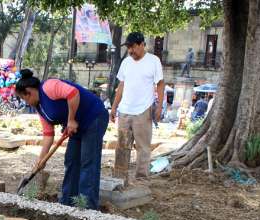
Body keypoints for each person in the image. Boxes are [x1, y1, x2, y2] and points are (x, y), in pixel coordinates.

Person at [15, 69, 109, 210]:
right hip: (75, 126)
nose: (26, 102)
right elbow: (48, 134)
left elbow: (73, 93)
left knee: (87, 162)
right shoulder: (40, 108)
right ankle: (67, 204)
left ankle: (87, 208)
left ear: (29, 91)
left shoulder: (49, 86)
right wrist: (41, 160)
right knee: (71, 161)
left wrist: (70, 120)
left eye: (24, 98)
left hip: (93, 117)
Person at [111, 32, 164, 180]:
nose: (130, 51)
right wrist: (114, 107)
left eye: (132, 46)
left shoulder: (153, 61)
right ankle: (120, 178)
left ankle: (141, 179)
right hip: (124, 111)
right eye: (128, 47)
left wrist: (159, 106)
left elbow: (160, 84)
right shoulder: (126, 62)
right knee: (122, 146)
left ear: (141, 44)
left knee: (143, 148)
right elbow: (121, 85)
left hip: (143, 110)